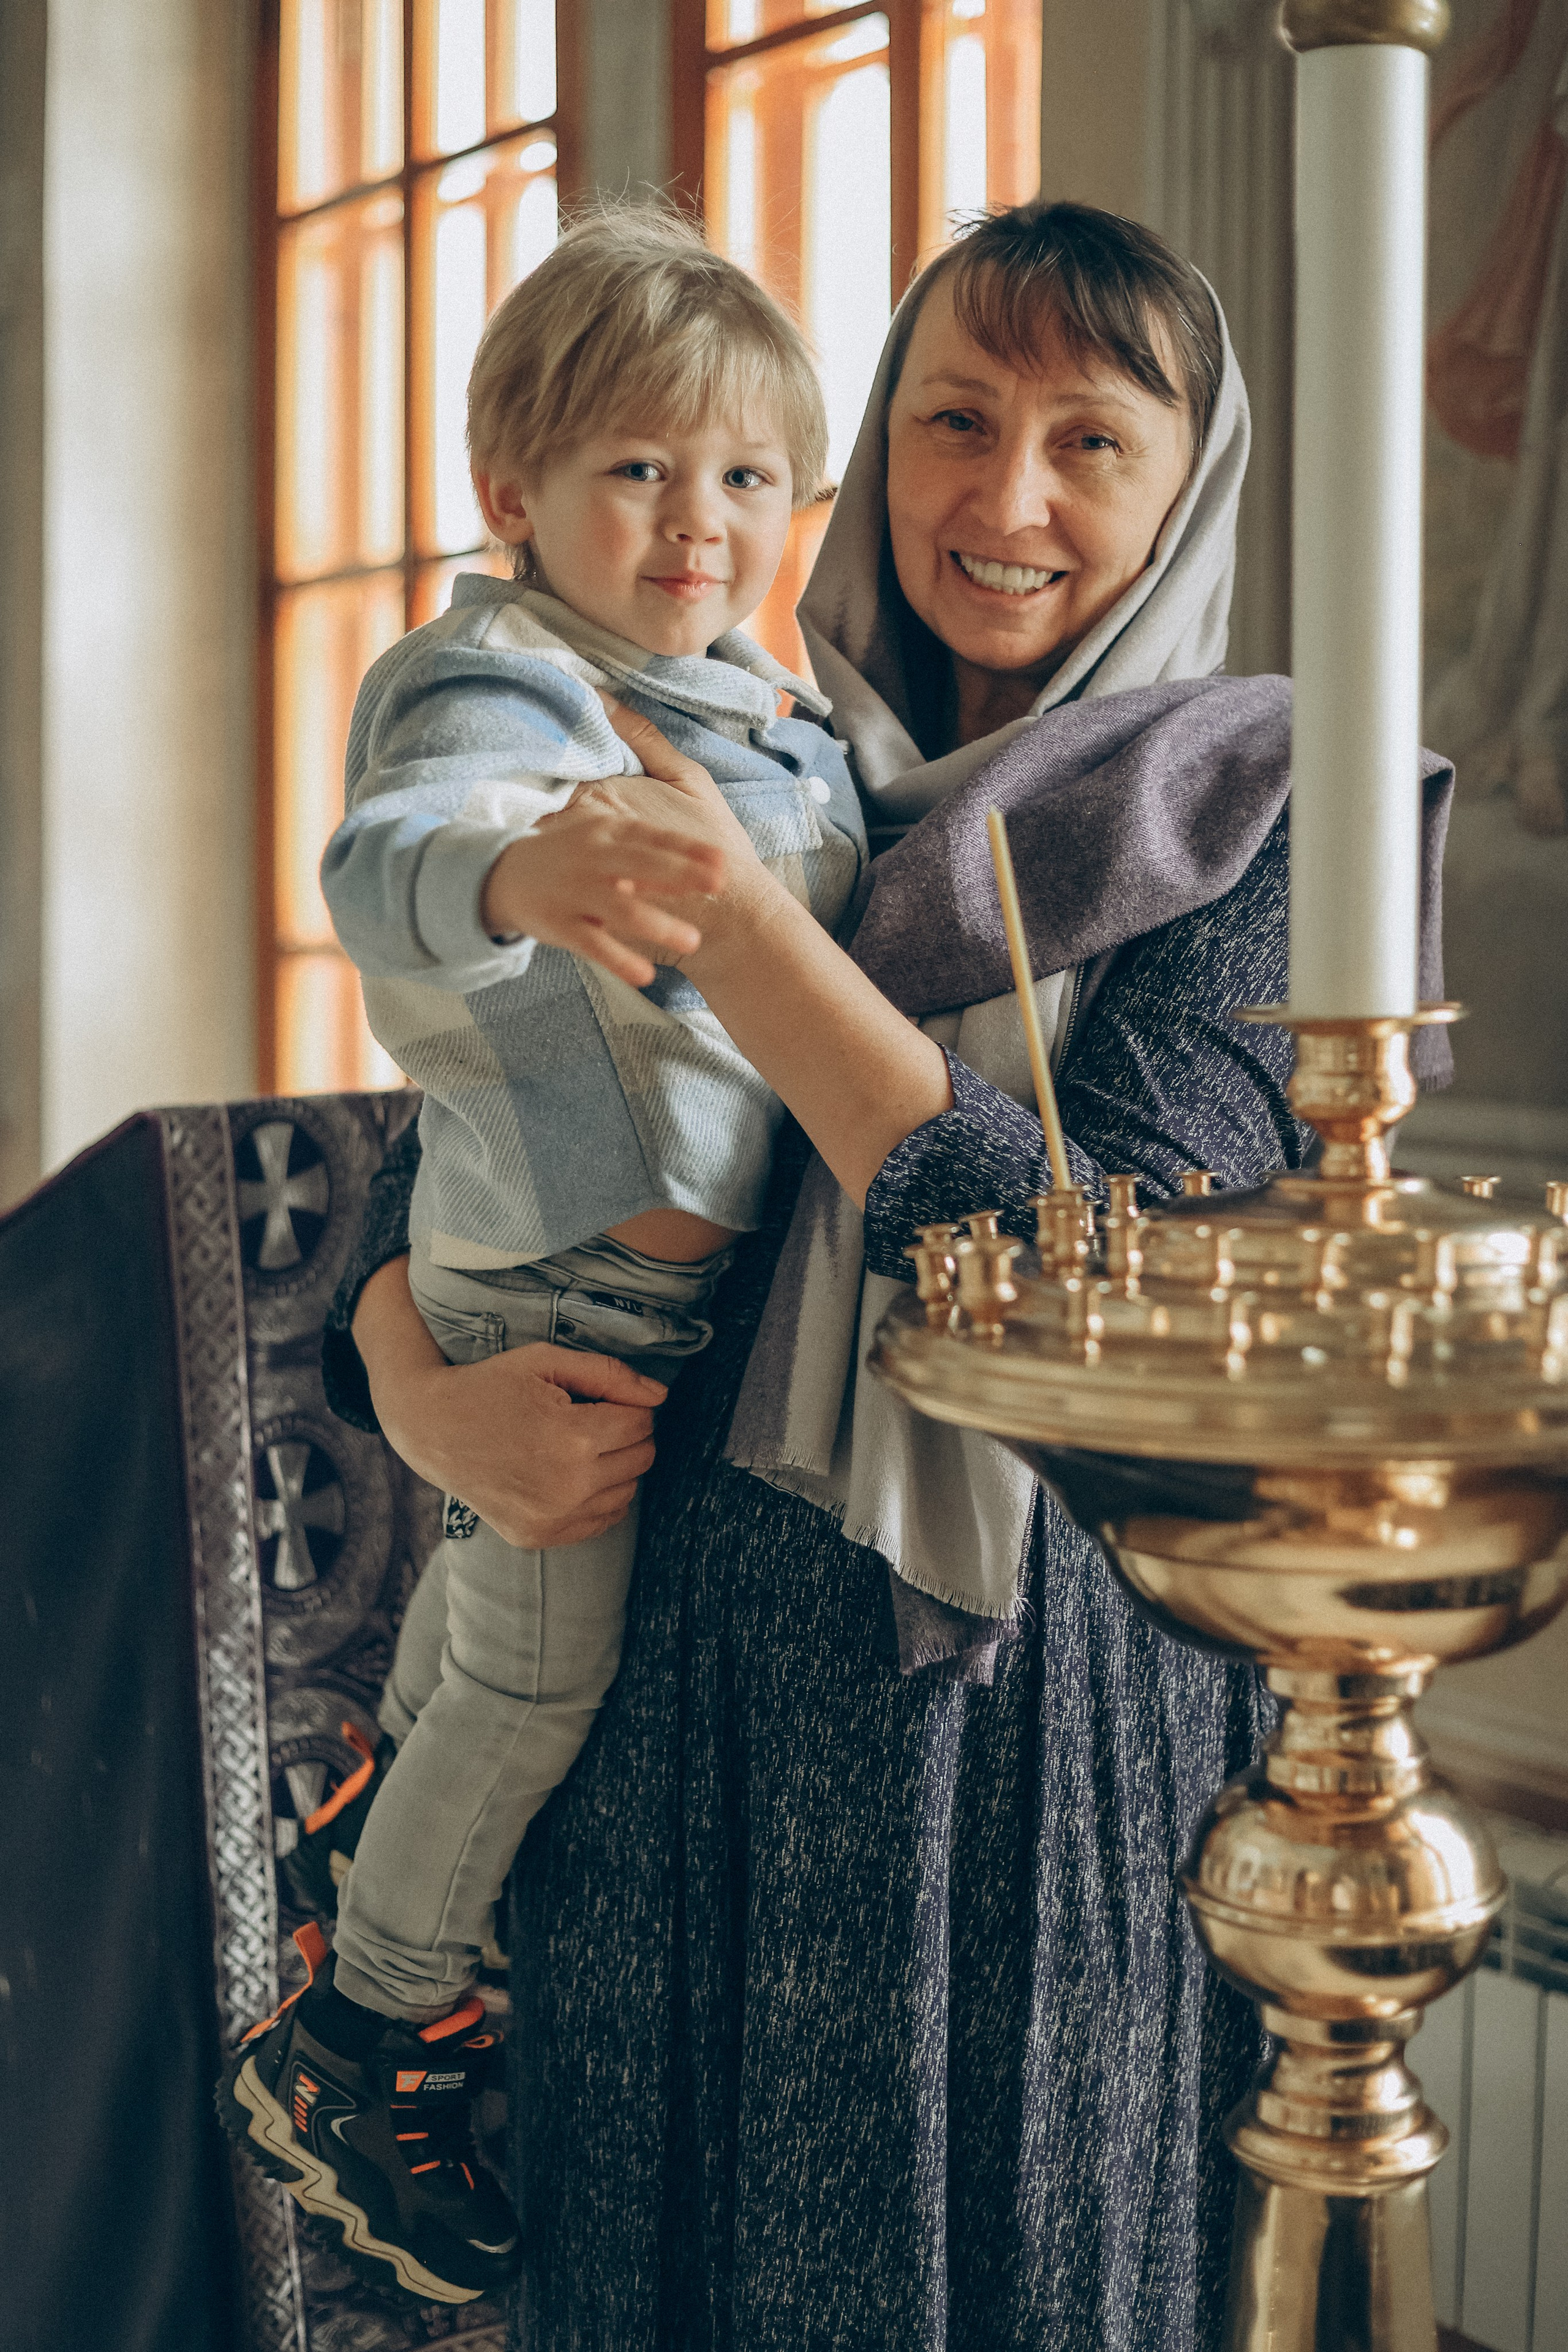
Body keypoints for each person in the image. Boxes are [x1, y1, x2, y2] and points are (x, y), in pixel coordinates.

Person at [315, 202, 1450, 2348]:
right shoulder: (713, 716)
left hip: (1028, 1728)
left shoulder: (1268, 814)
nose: (1006, 500)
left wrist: (752, 929)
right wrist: (418, 1388)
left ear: (1185, 485)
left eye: (1089, 442)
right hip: (664, 1681)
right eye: (954, 419)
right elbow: (476, 1135)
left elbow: (1091, 1280)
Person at [218, 208, 865, 2309]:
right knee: (532, 1669)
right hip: (554, 1282)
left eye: (746, 475)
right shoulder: (504, 679)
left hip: (666, 1290)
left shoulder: (769, 708)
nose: (699, 520)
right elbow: (390, 858)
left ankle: (374, 1837)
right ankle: (356, 2040)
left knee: (492, 1635)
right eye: (639, 468)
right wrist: (520, 866)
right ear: (514, 488)